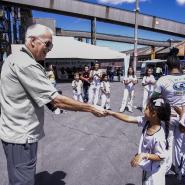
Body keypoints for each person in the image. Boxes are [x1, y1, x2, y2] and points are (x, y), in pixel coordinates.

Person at [0, 24, 106, 185]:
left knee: (18, 178)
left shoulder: (14, 58)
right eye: (47, 44)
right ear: (32, 41)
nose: (49, 49)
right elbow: (55, 99)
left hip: (14, 132)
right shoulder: (27, 64)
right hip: (21, 137)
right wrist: (90, 107)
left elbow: (36, 96)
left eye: (51, 45)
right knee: (23, 182)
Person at [151, 48, 185, 176]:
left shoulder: (162, 80)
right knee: (181, 144)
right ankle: (179, 170)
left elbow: (153, 99)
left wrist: (165, 107)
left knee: (168, 143)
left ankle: (164, 171)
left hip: (168, 117)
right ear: (180, 65)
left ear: (167, 65)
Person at [107, 98, 171, 185]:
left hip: (154, 175)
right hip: (148, 169)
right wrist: (111, 113)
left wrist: (143, 155)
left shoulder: (159, 136)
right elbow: (129, 118)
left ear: (154, 114)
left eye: (147, 108)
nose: (144, 109)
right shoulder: (147, 121)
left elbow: (161, 156)